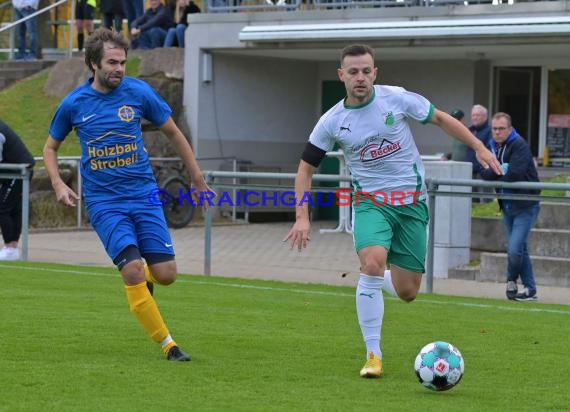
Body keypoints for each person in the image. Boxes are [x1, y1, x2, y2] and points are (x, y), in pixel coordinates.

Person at [283, 44, 503, 379]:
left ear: (375, 73)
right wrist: (302, 216)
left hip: (412, 204)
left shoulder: (396, 99)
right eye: (353, 71)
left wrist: (479, 147)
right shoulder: (332, 121)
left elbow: (441, 119)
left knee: (408, 292)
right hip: (371, 204)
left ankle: (373, 283)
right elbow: (305, 169)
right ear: (341, 75)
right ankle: (374, 354)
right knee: (372, 261)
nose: (360, 77)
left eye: (366, 70)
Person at [43, 28, 214, 361]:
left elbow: (174, 133)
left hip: (144, 194)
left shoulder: (139, 92)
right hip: (104, 201)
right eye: (111, 62)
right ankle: (169, 345)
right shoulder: (74, 103)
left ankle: (148, 276)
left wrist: (196, 178)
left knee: (166, 276)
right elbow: (50, 148)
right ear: (94, 63)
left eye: (122, 62)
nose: (119, 68)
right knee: (132, 268)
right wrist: (58, 183)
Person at [480, 112, 540, 302]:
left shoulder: (519, 144)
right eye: (494, 129)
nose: (497, 132)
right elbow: (484, 174)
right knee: (520, 248)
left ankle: (511, 281)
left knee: (514, 249)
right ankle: (530, 289)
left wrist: (496, 168)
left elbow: (515, 173)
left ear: (510, 129)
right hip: (506, 205)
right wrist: (502, 168)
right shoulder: (492, 145)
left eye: (501, 129)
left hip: (525, 205)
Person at [0, 119, 35, 261]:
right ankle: (12, 248)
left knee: (3, 207)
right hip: (14, 170)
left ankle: (10, 248)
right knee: (13, 208)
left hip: (20, 171)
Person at [468, 104, 493, 202]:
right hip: (470, 170)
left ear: (485, 117)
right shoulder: (471, 130)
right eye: (473, 115)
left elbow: (489, 150)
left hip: (482, 171)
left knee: (485, 201)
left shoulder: (489, 131)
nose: (474, 117)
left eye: (477, 115)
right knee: (471, 202)